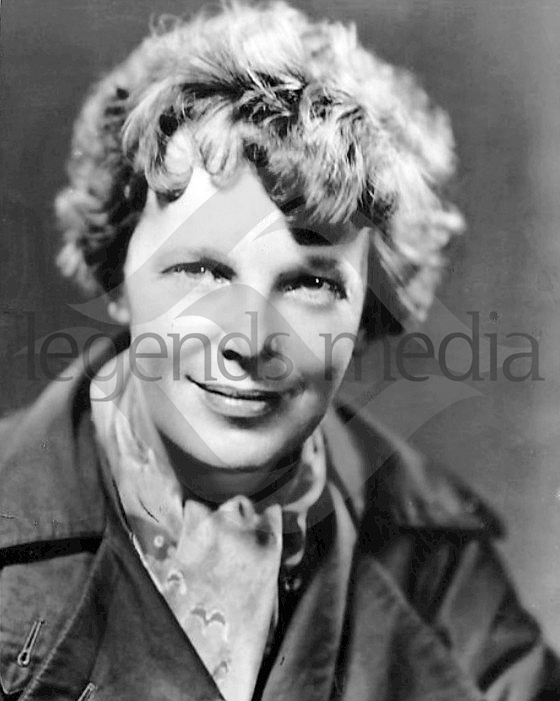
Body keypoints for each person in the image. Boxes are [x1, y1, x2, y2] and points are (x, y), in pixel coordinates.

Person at [0, 2, 557, 700]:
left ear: (368, 309)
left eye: (310, 283)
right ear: (117, 275)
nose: (250, 339)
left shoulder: (439, 566)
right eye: (201, 270)